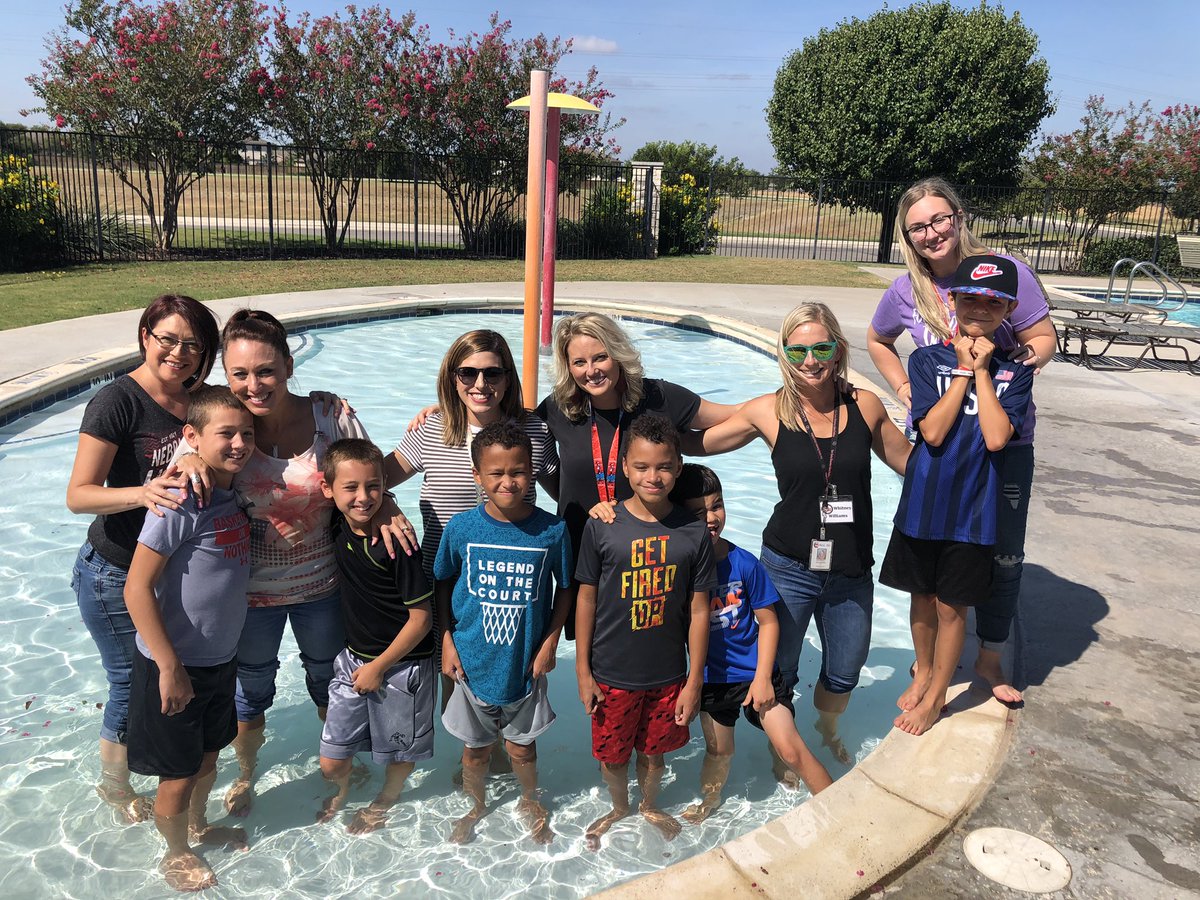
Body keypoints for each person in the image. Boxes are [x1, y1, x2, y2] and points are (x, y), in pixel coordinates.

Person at [180, 309, 396, 816]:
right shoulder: (223, 426)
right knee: (250, 692)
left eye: (266, 370)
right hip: (248, 595)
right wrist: (189, 460)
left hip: (321, 586)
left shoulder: (328, 415)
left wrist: (390, 508)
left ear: (289, 365)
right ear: (225, 375)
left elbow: (366, 471)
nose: (253, 385)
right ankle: (247, 773)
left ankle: (339, 768)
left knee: (330, 681)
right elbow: (182, 468)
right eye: (240, 374)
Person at [687, 303, 911, 768]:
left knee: (845, 672)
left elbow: (910, 464)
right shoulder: (769, 411)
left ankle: (825, 728)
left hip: (850, 569)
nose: (810, 360)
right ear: (784, 353)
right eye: (798, 349)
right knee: (780, 670)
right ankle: (781, 748)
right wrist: (635, 430)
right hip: (787, 566)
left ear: (838, 350)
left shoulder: (863, 405)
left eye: (821, 347)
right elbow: (699, 442)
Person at [867, 176, 1056, 704]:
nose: (932, 233)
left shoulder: (1005, 273)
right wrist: (905, 389)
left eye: (939, 219)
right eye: (918, 227)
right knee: (927, 555)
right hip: (938, 445)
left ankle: (989, 657)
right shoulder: (907, 289)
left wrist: (1007, 368)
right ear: (908, 236)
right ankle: (929, 663)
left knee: (1003, 554)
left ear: (958, 216)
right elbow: (878, 340)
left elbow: (1044, 338)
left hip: (1001, 443)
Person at [66, 293, 220, 822]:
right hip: (114, 571)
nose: (177, 353)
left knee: (169, 679)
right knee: (129, 682)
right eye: (167, 339)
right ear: (144, 337)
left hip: (165, 572)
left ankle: (156, 772)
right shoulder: (118, 401)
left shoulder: (196, 398)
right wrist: (141, 491)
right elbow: (79, 494)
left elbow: (230, 436)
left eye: (192, 344)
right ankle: (116, 785)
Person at [880, 255, 1034, 736]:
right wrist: (963, 372)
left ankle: (937, 696)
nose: (980, 309)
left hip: (974, 510)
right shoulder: (926, 360)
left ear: (1008, 308)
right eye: (970, 299)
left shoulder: (1016, 373)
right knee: (921, 596)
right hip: (924, 502)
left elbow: (994, 438)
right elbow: (932, 430)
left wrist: (983, 371)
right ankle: (923, 671)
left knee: (952, 607)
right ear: (953, 301)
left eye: (992, 302)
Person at [122, 386, 254, 891]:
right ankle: (175, 852)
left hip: (218, 661)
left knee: (208, 758)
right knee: (176, 775)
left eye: (246, 433)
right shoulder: (180, 500)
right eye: (227, 434)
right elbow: (137, 588)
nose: (240, 443)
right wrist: (169, 666)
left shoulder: (228, 494)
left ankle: (197, 827)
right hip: (173, 665)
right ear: (193, 438)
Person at [388, 330, 558, 712]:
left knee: (514, 688)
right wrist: (385, 504)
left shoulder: (532, 430)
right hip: (447, 587)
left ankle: (505, 765)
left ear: (508, 377)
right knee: (456, 684)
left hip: (511, 591)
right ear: (453, 377)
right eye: (468, 373)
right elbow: (374, 478)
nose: (480, 384)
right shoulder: (431, 430)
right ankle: (470, 765)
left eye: (493, 374)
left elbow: (566, 491)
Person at [574, 413, 715, 850]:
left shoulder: (692, 532)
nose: (653, 476)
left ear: (678, 467)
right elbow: (586, 600)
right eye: (642, 466)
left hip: (667, 676)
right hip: (612, 673)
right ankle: (618, 806)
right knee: (613, 756)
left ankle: (648, 803)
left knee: (654, 754)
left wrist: (694, 682)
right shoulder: (603, 525)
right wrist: (583, 672)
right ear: (625, 468)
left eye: (664, 466)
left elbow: (699, 612)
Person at [433, 421, 573, 845]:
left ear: (531, 471)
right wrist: (446, 641)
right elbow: (441, 583)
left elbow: (565, 588)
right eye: (496, 473)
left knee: (522, 749)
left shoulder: (552, 531)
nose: (507, 481)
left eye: (517, 471)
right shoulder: (460, 529)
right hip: (472, 664)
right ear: (478, 476)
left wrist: (550, 642)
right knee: (474, 751)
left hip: (525, 666)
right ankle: (476, 805)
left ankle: (530, 799)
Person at [670, 464, 832, 823]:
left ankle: (840, 816)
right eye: (697, 512)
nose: (711, 518)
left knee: (790, 747)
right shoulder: (677, 570)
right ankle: (710, 802)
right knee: (719, 751)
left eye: (716, 505)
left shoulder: (743, 564)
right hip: (711, 681)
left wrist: (762, 677)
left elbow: (768, 621)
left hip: (756, 674)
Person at [535, 312, 743, 584]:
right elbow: (534, 463)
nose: (591, 370)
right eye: (579, 362)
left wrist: (773, 410)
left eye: (600, 357)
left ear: (618, 354)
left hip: (649, 556)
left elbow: (732, 416)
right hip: (582, 554)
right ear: (568, 367)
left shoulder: (658, 397)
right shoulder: (558, 408)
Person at [316, 439, 435, 834]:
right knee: (332, 761)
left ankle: (388, 797)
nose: (363, 498)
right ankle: (345, 785)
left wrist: (380, 668)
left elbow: (421, 619)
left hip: (403, 666)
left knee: (399, 751)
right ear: (328, 490)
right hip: (353, 660)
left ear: (385, 485)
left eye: (374, 487)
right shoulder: (336, 522)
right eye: (350, 488)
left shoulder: (397, 546)